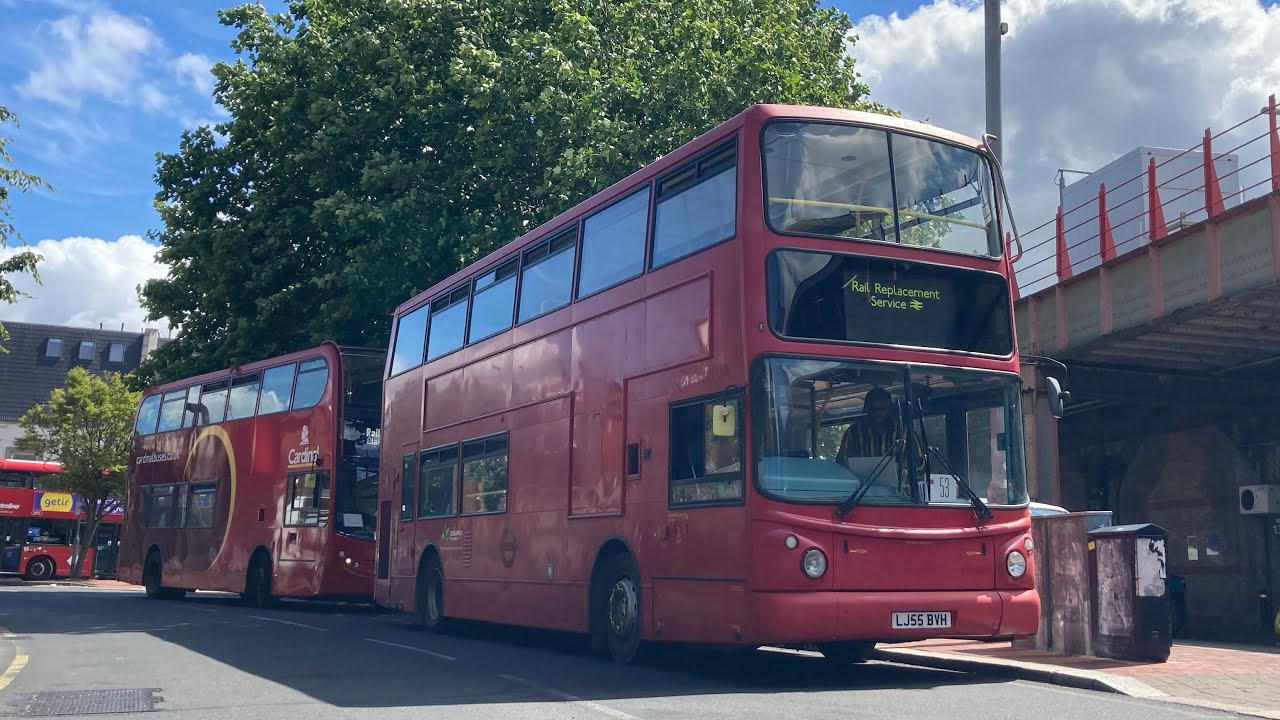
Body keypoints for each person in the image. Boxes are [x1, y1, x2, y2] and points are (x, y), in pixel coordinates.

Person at [836, 387, 926, 496]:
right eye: (872, 409)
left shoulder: (905, 432)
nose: (877, 413)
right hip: (862, 497)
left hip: (901, 498)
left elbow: (921, 465)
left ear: (890, 409)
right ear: (866, 409)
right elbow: (841, 465)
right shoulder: (853, 433)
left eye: (882, 409)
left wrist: (902, 475)